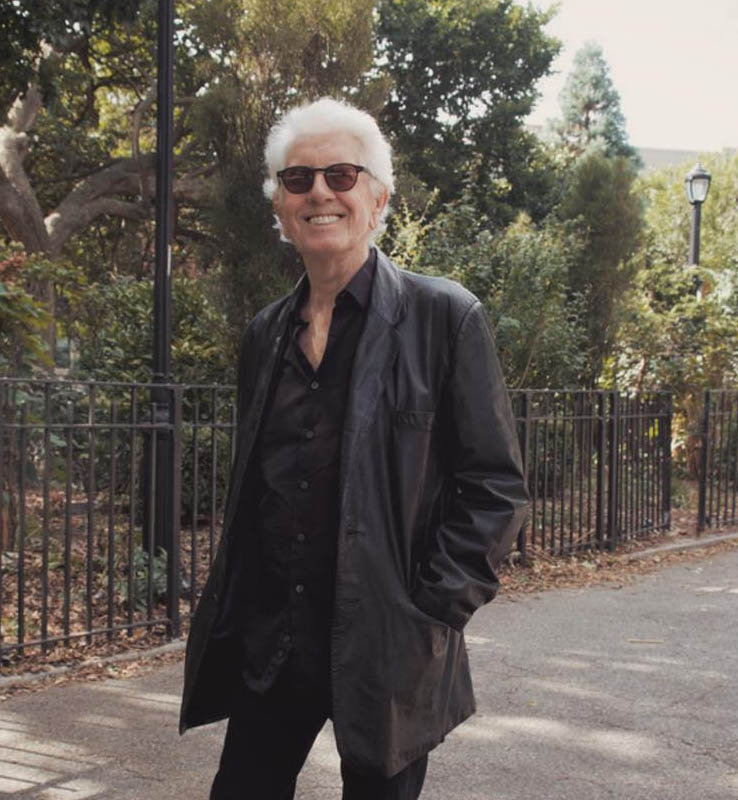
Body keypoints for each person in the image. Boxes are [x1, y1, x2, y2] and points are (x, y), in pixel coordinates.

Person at [180, 96, 529, 800]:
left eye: (340, 175)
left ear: (378, 199)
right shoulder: (265, 334)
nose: (319, 193)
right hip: (273, 642)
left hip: (386, 643)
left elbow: (496, 487)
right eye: (298, 179)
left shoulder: (444, 317)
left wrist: (431, 607)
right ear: (280, 207)